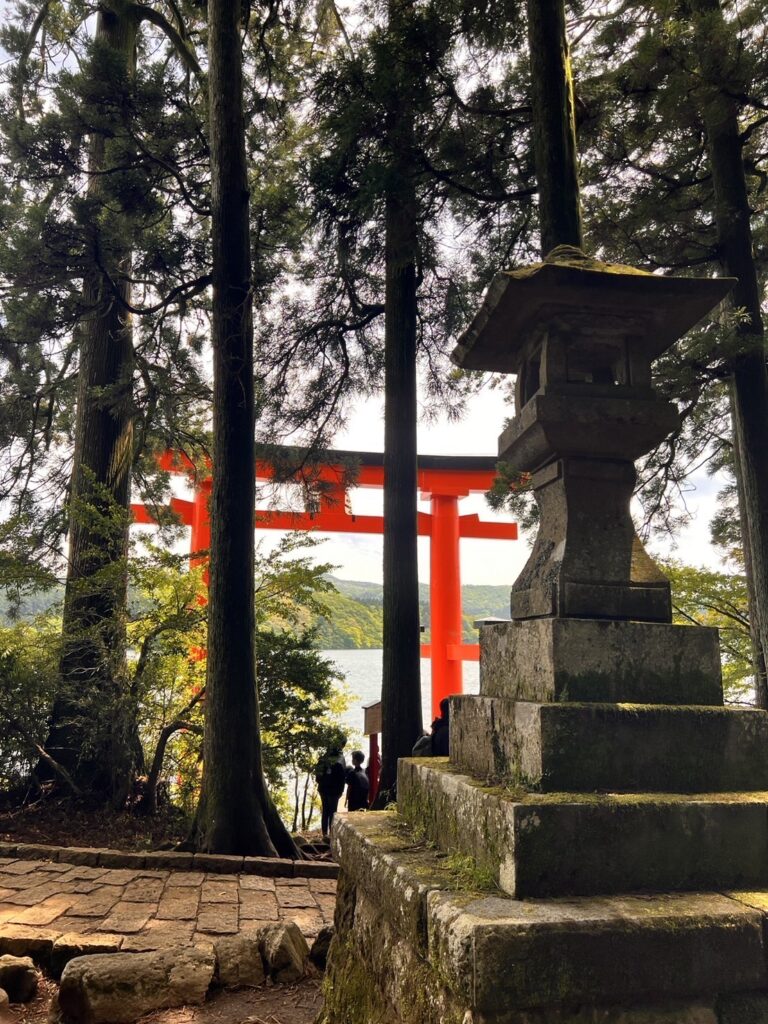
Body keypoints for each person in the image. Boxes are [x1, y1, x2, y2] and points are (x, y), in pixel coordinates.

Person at [315, 735, 347, 838]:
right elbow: (342, 777)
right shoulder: (340, 758)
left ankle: (325, 834)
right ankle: (331, 834)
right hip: (334, 790)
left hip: (324, 788)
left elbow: (318, 775)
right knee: (332, 812)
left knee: (326, 811)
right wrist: (341, 791)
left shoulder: (324, 756)